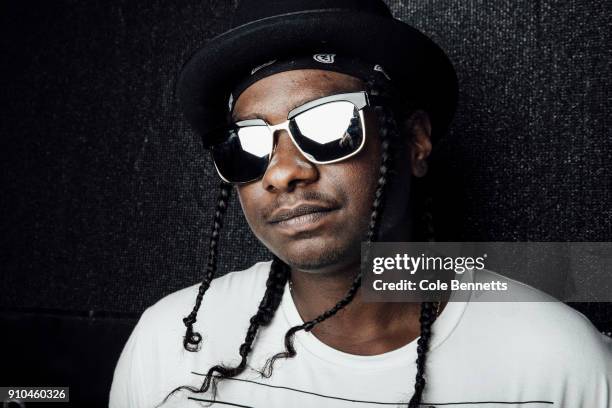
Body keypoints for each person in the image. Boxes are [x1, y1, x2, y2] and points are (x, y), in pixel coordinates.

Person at [109, 1, 612, 407]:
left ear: (415, 142)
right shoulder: (169, 344)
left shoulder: (560, 365)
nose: (283, 171)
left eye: (327, 123)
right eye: (249, 145)